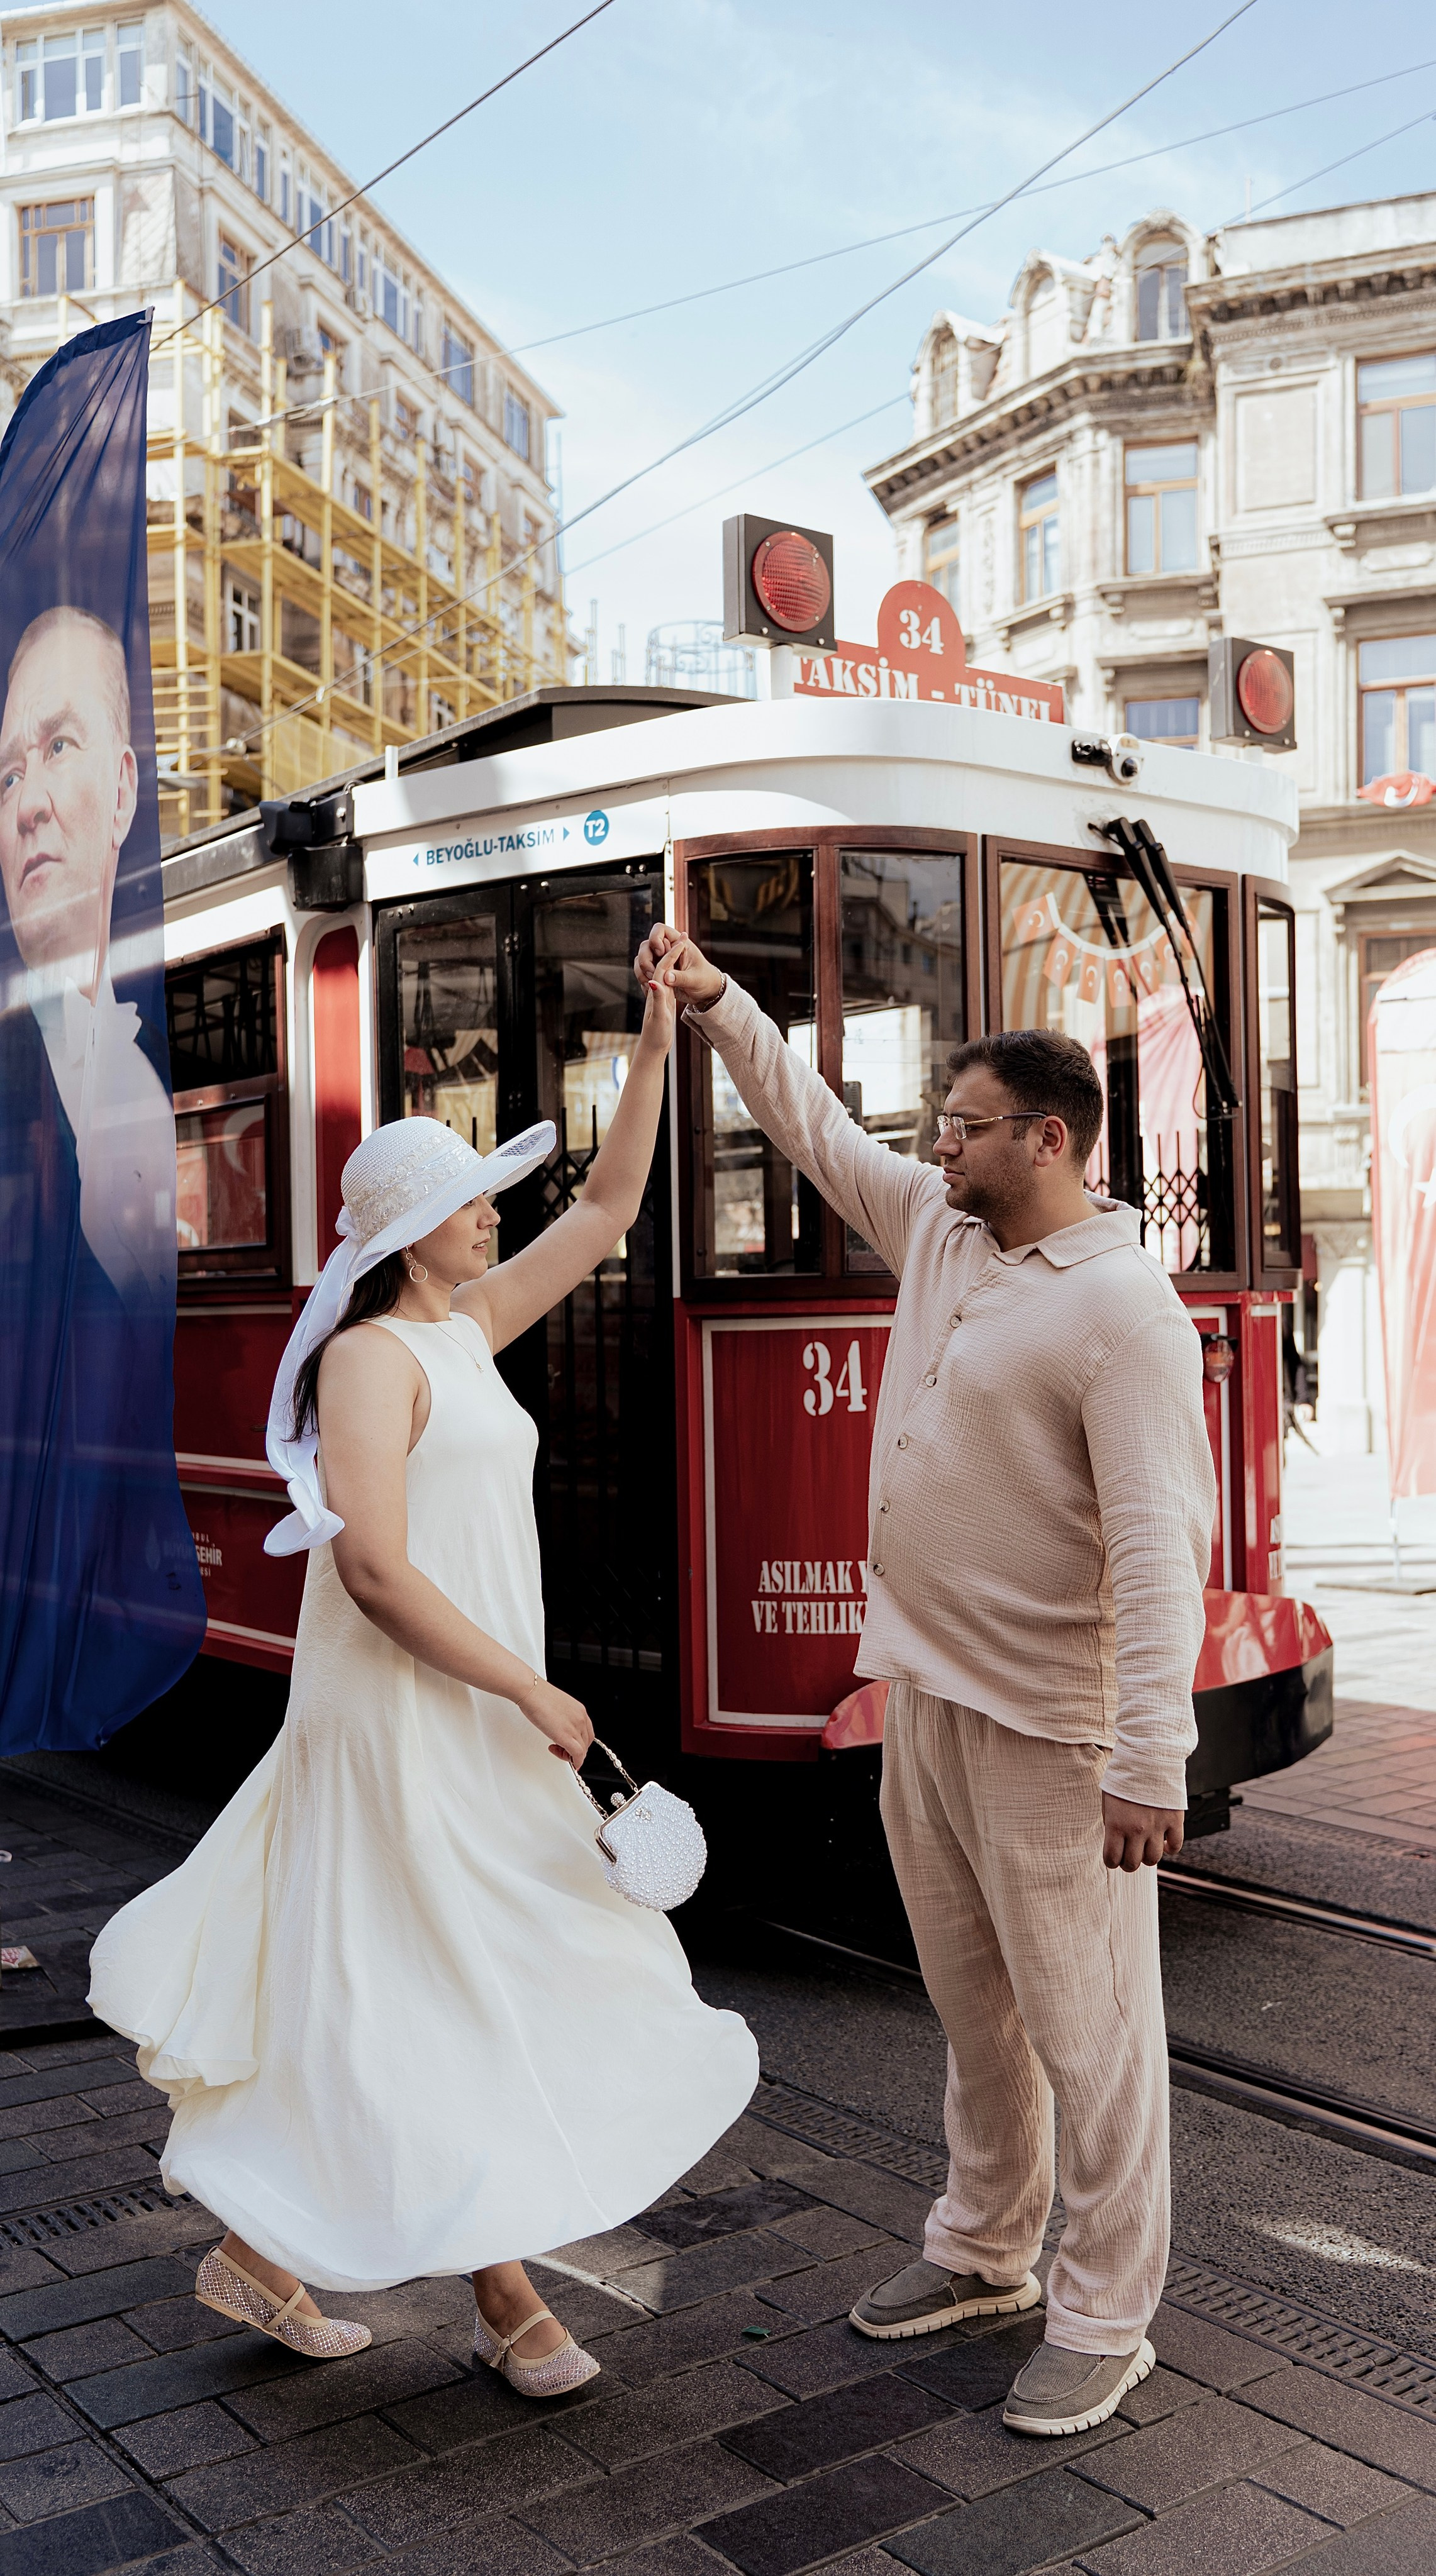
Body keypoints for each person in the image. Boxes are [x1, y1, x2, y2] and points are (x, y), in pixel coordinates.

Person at [90, 973, 758, 2395]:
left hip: (475, 1707)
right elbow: (380, 1577)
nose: (490, 1211)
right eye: (465, 1199)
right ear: (407, 1228)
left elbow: (607, 1212)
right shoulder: (368, 1362)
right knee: (431, 1976)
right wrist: (532, 1688)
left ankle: (281, 2254)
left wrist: (652, 1043)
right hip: (403, 1715)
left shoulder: (463, 1329)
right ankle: (502, 2292)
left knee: (461, 1970)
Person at [637, 923, 1215, 2438]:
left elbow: (1161, 1556)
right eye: (936, 1129)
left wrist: (1153, 1762)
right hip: (925, 1699)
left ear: (1049, 1138)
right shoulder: (948, 1234)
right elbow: (818, 1132)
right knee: (975, 2012)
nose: (933, 1147)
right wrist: (723, 1008)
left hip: (1052, 1728)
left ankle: (1105, 2313)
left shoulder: (1124, 1314)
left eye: (960, 1128)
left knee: (1092, 2037)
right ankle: (981, 2250)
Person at [0, 604, 175, 1307]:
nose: (26, 805)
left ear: (124, 792)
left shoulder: (156, 1064)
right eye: (8, 775)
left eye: (59, 746)